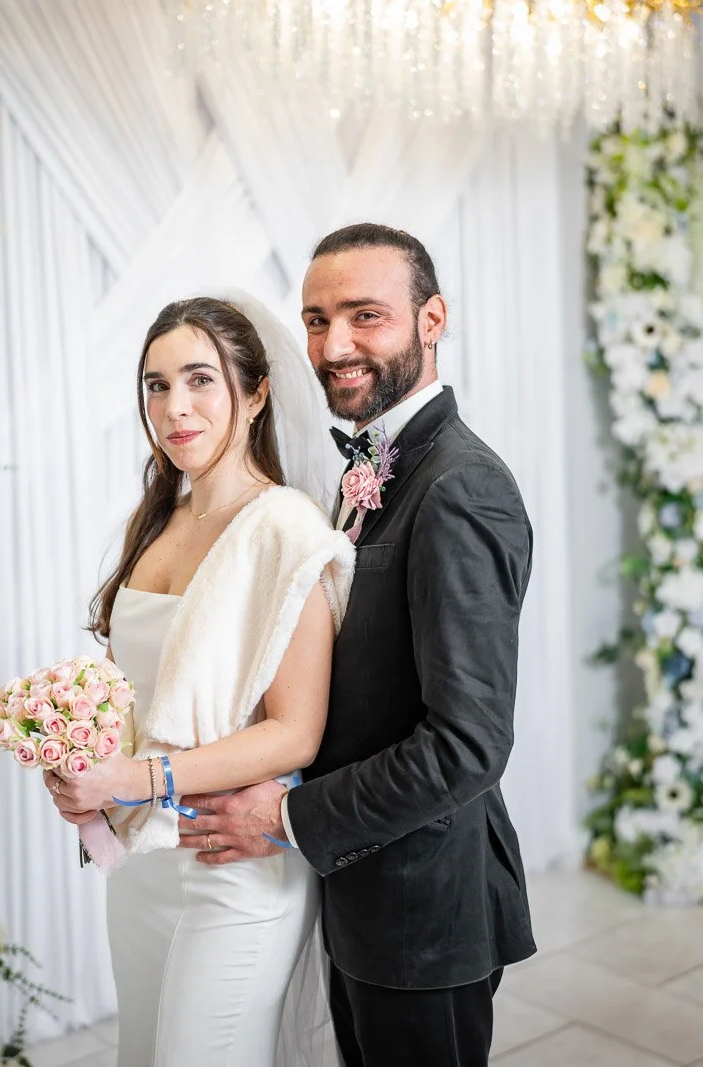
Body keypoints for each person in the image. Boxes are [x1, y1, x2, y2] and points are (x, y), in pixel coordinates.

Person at [174, 224, 536, 1067]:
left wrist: (289, 814)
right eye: (315, 320)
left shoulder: (460, 486)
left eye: (364, 316)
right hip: (365, 893)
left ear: (432, 318)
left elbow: (469, 742)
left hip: (423, 904)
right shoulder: (367, 470)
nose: (333, 346)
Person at [46, 295, 354, 1066]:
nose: (174, 408)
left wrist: (134, 776)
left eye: (199, 380)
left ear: (254, 394)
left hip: (234, 864)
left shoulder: (287, 530)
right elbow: (131, 693)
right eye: (155, 385)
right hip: (147, 860)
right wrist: (83, 763)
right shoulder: (155, 522)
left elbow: (295, 730)